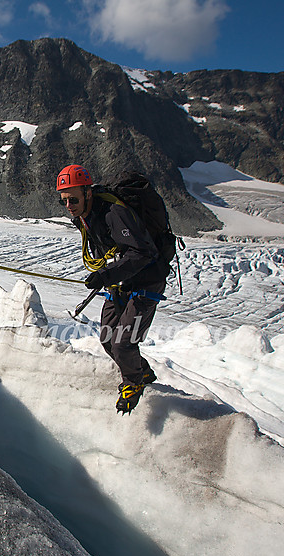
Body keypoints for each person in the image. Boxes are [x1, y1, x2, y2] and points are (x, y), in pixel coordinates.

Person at [57, 164, 168, 414]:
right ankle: (142, 371)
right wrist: (107, 274)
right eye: (63, 200)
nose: (68, 206)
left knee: (123, 342)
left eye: (73, 199)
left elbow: (143, 252)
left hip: (146, 280)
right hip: (121, 280)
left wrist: (105, 274)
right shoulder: (88, 216)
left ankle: (133, 383)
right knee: (108, 340)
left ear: (88, 193)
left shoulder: (114, 213)